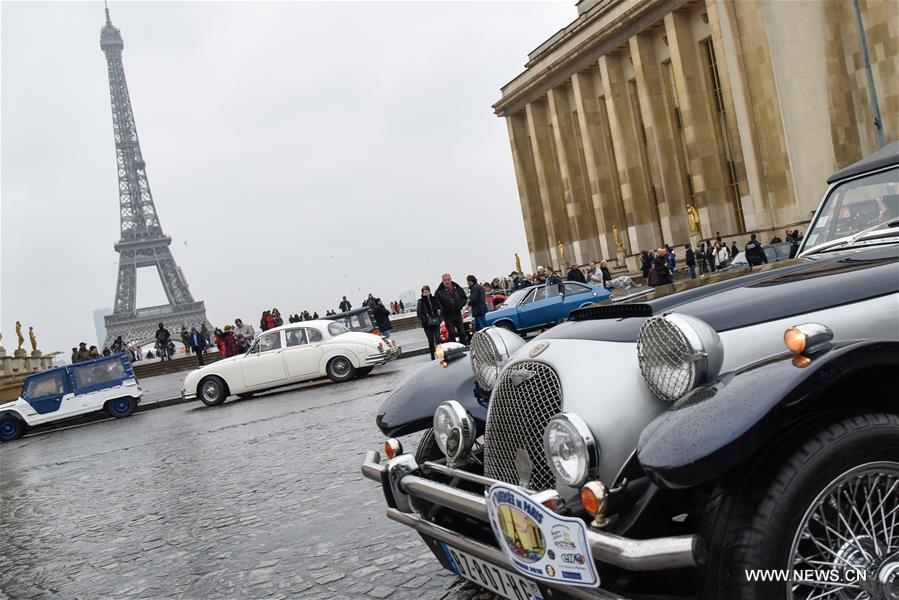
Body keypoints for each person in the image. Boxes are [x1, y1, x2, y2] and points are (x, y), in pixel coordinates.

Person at [435, 273, 469, 345]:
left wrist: (460, 305)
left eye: (448, 280)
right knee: (451, 333)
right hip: (448, 315)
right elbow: (437, 304)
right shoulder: (438, 292)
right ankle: (454, 347)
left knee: (462, 332)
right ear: (442, 281)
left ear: (451, 279)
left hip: (457, 314)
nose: (447, 282)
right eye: (445, 280)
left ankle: (464, 346)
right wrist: (442, 309)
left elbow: (464, 298)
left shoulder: (457, 288)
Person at [417, 285, 442, 360]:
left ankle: (440, 354)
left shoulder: (434, 299)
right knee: (431, 340)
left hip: (436, 321)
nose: (426, 293)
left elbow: (440, 307)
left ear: (429, 292)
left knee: (438, 338)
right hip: (427, 324)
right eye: (425, 292)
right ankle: (432, 356)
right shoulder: (420, 301)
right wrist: (425, 320)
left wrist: (438, 314)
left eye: (427, 292)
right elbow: (419, 312)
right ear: (422, 293)